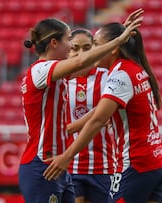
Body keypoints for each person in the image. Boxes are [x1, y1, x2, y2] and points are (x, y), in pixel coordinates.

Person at [18, 10, 143, 203]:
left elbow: (90, 64)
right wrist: (118, 41)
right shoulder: (40, 70)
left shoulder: (55, 73)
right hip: (42, 165)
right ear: (54, 43)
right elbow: (81, 61)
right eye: (69, 40)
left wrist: (118, 37)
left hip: (58, 167)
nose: (71, 47)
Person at [43, 22, 162, 203]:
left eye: (95, 43)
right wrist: (69, 130)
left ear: (113, 48)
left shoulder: (120, 74)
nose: (91, 51)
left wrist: (67, 156)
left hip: (136, 163)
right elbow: (101, 112)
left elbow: (99, 119)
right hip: (158, 160)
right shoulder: (134, 69)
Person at [65, 28, 115, 203]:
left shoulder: (108, 76)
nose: (80, 53)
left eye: (87, 48)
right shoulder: (60, 79)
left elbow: (108, 112)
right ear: (67, 50)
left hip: (103, 164)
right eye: (75, 48)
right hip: (69, 164)